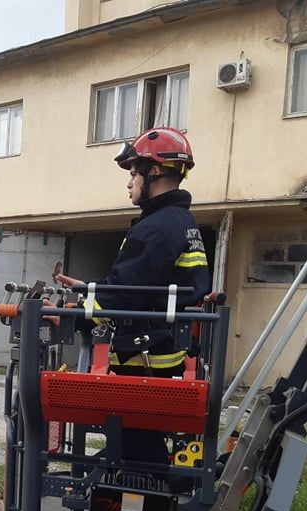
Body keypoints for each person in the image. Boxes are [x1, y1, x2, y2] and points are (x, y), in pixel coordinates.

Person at [55, 126, 210, 468]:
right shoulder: (179, 221)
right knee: (138, 442)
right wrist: (87, 289)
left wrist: (73, 312)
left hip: (146, 362)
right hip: (160, 355)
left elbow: (126, 293)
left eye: (133, 172)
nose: (129, 182)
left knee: (138, 451)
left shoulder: (156, 226)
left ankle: (135, 509)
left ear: (153, 171)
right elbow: (139, 283)